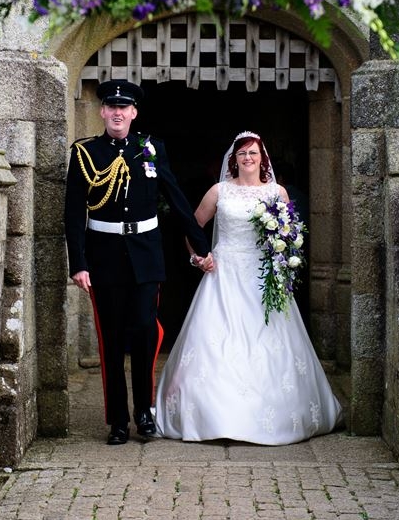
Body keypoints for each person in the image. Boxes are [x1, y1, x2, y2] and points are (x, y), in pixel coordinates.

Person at [154, 131, 343, 445]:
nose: (247, 159)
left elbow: (290, 235)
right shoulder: (219, 191)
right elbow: (192, 226)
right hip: (224, 275)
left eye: (253, 153)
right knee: (216, 342)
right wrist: (198, 258)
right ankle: (213, 416)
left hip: (263, 278)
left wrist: (283, 261)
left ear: (262, 158)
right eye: (242, 154)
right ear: (234, 159)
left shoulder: (276, 192)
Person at [64, 79, 214, 445]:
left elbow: (177, 200)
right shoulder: (86, 154)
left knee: (146, 333)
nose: (117, 112)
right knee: (111, 339)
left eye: (124, 107)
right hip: (104, 258)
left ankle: (144, 412)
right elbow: (73, 213)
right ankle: (117, 419)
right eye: (111, 107)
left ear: (134, 112)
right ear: (102, 112)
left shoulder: (150, 149)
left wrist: (200, 245)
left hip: (146, 257)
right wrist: (78, 263)